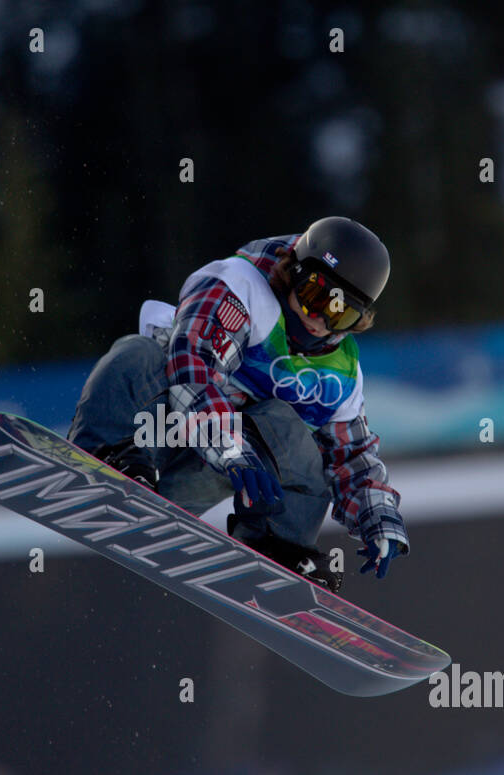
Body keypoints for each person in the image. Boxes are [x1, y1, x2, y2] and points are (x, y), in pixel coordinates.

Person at [68, 217, 408, 593]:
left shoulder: (340, 372)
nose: (318, 318)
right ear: (293, 271)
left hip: (216, 472)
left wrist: (379, 518)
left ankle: (278, 543)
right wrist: (231, 449)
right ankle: (110, 453)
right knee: (138, 354)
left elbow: (351, 455)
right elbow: (192, 367)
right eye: (315, 295)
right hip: (158, 434)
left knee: (292, 433)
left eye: (340, 312)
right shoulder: (239, 288)